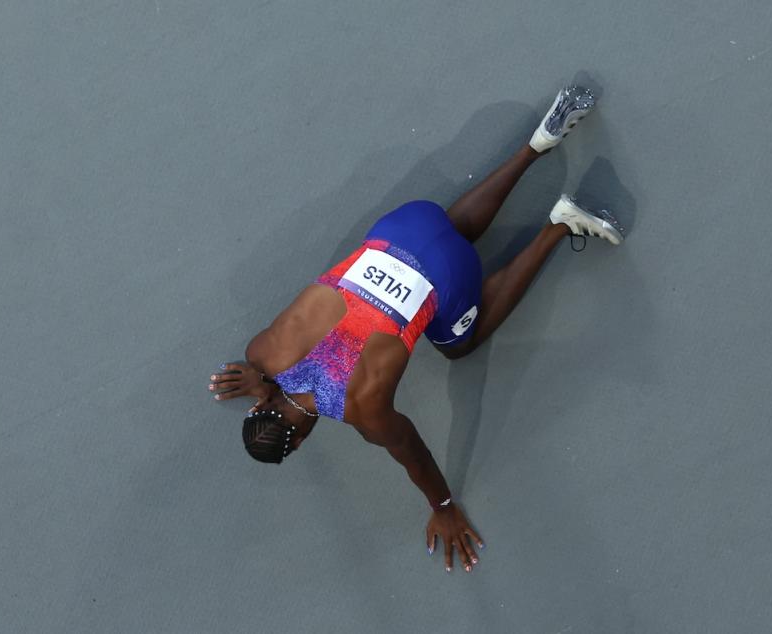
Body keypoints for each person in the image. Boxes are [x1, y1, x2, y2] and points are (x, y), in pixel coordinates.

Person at [208, 84, 625, 574]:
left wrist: (443, 509)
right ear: (261, 403)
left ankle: (560, 224)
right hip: (406, 222)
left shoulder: (365, 413)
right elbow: (262, 368)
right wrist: (259, 377)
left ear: (299, 441)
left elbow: (417, 459)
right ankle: (537, 144)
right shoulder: (264, 352)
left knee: (459, 345)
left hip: (451, 272)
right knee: (443, 231)